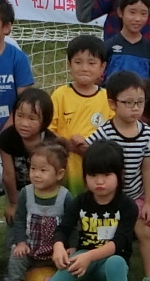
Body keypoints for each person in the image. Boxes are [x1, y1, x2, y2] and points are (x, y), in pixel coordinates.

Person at [13, 139, 135, 281]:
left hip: (110, 266)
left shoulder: (127, 205)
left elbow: (120, 242)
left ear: (120, 175)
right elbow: (63, 228)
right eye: (93, 175)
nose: (99, 181)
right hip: (83, 266)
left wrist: (87, 256)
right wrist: (59, 246)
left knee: (117, 261)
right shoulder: (80, 201)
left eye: (106, 175)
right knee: (71, 260)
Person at [87, 70, 150, 281]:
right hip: (107, 198)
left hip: (135, 197)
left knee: (145, 232)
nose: (135, 108)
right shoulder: (104, 133)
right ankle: (100, 270)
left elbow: (147, 169)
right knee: (103, 236)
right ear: (112, 104)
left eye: (139, 102)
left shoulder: (147, 134)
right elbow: (93, 164)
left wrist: (148, 202)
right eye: (128, 103)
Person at [4, 141, 71, 281]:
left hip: (55, 252)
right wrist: (21, 242)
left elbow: (72, 225)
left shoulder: (65, 197)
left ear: (59, 174)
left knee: (71, 264)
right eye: (33, 169)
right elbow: (19, 220)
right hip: (31, 248)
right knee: (15, 257)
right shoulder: (26, 193)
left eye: (43, 170)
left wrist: (71, 247)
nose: (36, 175)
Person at [49, 32, 114, 192]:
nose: (84, 68)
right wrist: (69, 144)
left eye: (91, 63)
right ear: (69, 64)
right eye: (78, 62)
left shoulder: (107, 99)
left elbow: (113, 134)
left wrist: (90, 149)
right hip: (64, 166)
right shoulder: (60, 95)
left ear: (102, 67)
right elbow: (48, 130)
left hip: (95, 167)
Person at [0, 86, 53, 213]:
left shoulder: (51, 143)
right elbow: (8, 175)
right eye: (20, 116)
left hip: (44, 192)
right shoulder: (6, 138)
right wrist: (13, 203)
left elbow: (54, 178)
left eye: (32, 118)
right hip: (16, 192)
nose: (24, 123)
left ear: (45, 121)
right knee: (15, 228)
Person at [104, 0, 150, 83]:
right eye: (132, 12)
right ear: (120, 12)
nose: (138, 19)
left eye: (143, 13)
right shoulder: (108, 46)